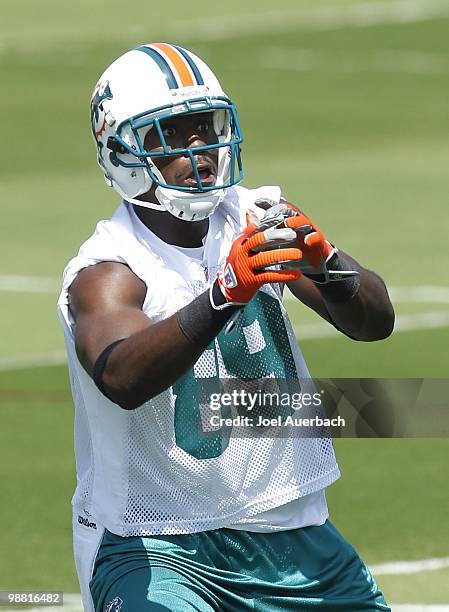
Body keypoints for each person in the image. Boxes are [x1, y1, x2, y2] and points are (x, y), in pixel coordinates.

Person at [58, 42, 394, 611]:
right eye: (174, 132)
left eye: (205, 126)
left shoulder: (256, 216)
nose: (201, 146)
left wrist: (329, 263)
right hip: (158, 543)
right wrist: (223, 294)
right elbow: (122, 376)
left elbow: (374, 323)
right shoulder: (106, 270)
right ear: (123, 152)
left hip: (290, 532)